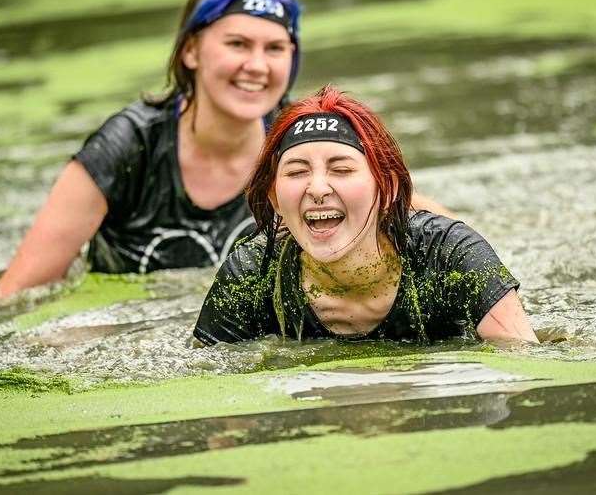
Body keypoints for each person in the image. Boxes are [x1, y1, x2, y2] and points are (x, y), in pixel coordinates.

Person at [0, 0, 302, 298]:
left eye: (274, 48)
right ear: (191, 51)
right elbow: (14, 297)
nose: (257, 65)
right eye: (237, 44)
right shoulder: (126, 147)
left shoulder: (301, 146)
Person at [194, 86, 539, 345]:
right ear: (274, 197)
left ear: (386, 189)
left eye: (341, 169)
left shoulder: (450, 255)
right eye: (297, 172)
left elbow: (524, 365)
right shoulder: (250, 275)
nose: (317, 188)